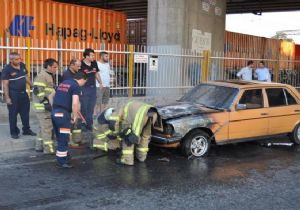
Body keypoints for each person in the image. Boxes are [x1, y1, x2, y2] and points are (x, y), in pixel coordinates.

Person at [93, 101, 160, 166]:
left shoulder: (114, 114)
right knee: (145, 136)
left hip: (141, 114)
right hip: (153, 113)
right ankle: (141, 157)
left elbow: (114, 126)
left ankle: (127, 160)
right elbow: (121, 125)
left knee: (130, 137)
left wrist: (121, 133)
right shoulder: (124, 110)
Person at [51, 71, 87, 168]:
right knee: (64, 137)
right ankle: (62, 162)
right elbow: (75, 103)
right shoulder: (76, 86)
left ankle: (64, 156)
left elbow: (52, 96)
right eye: (84, 82)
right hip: (63, 115)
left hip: (55, 112)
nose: (84, 84)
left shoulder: (64, 83)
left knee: (60, 137)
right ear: (82, 79)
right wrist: (74, 117)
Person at [1, 52, 36, 139]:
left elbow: (26, 77)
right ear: (11, 60)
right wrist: (7, 97)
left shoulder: (22, 65)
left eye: (20, 58)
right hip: (13, 94)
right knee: (13, 114)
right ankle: (14, 132)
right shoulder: (6, 69)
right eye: (17, 59)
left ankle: (26, 130)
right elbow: (5, 85)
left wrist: (33, 86)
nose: (19, 60)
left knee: (25, 113)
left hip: (23, 93)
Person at [32, 58, 58, 154]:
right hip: (42, 107)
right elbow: (37, 90)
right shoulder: (43, 75)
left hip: (44, 106)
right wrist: (45, 102)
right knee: (47, 128)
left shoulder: (48, 75)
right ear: (48, 66)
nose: (56, 69)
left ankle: (39, 146)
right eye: (54, 67)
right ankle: (48, 149)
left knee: (42, 127)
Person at [79, 48, 103, 131]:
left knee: (91, 107)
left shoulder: (94, 63)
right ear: (86, 56)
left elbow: (96, 73)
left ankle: (90, 124)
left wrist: (100, 82)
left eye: (93, 55)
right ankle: (83, 124)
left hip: (92, 89)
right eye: (92, 55)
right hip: (83, 88)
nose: (93, 57)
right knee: (84, 107)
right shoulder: (80, 64)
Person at [95, 51, 111, 116]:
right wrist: (100, 83)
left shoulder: (107, 64)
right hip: (99, 86)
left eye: (108, 56)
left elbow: (108, 73)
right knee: (98, 102)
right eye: (106, 56)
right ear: (101, 56)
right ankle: (95, 115)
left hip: (107, 85)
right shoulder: (97, 64)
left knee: (105, 101)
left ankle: (102, 114)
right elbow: (96, 74)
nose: (108, 58)